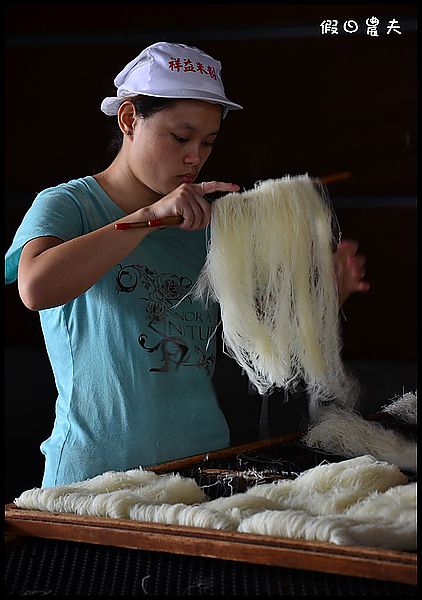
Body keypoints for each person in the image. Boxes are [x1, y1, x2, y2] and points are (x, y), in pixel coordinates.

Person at [5, 42, 370, 488]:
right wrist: (148, 219)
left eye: (208, 142)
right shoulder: (69, 204)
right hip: (92, 479)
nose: (195, 156)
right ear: (128, 120)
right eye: (181, 138)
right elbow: (35, 287)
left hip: (198, 472)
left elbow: (256, 346)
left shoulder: (206, 227)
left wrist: (326, 294)